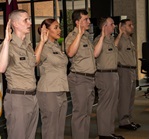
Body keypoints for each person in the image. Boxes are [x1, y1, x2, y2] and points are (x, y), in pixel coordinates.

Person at [0, 9, 39, 139]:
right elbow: (1, 68)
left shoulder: (28, 44)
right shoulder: (8, 45)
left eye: (29, 19)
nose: (30, 23)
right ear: (14, 23)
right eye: (26, 20)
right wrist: (7, 42)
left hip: (32, 97)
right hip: (18, 99)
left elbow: (34, 63)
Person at [65, 9, 96, 139]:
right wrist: (78, 34)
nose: (89, 21)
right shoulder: (72, 37)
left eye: (88, 19)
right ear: (77, 22)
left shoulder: (86, 37)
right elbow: (70, 53)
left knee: (87, 113)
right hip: (79, 79)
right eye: (85, 19)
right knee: (79, 114)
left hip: (90, 79)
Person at [36, 18, 68, 139]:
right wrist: (42, 42)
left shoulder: (57, 46)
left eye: (59, 27)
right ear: (46, 30)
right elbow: (35, 60)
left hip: (61, 89)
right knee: (50, 128)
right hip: (49, 91)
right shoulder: (42, 47)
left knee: (60, 128)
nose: (59, 30)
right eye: (56, 27)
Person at [93, 17, 124, 139]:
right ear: (104, 26)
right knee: (105, 105)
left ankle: (109, 132)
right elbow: (95, 54)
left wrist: (120, 34)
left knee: (112, 104)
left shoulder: (110, 40)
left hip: (113, 74)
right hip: (104, 75)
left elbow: (114, 47)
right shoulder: (98, 41)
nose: (114, 26)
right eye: (112, 24)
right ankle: (104, 133)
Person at [115, 19, 141, 131]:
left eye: (132, 25)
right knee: (124, 97)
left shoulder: (129, 39)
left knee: (130, 96)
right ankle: (123, 121)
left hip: (131, 70)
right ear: (123, 27)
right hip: (124, 70)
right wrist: (119, 34)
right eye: (130, 25)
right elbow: (114, 48)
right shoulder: (120, 40)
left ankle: (129, 119)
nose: (132, 27)